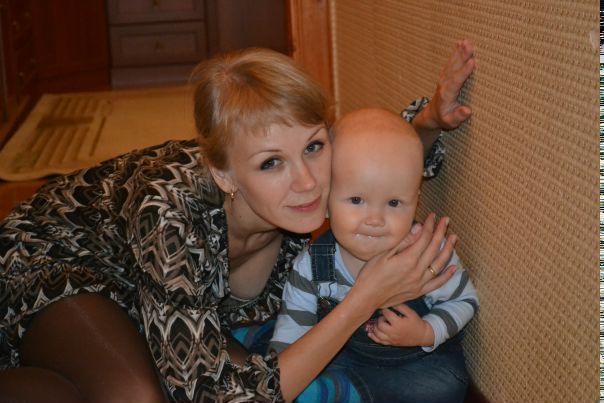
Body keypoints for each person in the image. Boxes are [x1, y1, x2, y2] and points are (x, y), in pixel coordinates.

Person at [0, 40, 475, 403]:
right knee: (136, 395)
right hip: (59, 262)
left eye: (313, 146)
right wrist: (363, 298)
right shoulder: (168, 212)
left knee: (258, 374)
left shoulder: (318, 180)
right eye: (271, 163)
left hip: (166, 300)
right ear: (224, 173)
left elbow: (371, 164)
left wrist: (429, 121)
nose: (308, 182)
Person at [269, 108, 479, 403]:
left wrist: (425, 331)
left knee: (442, 387)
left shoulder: (426, 253)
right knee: (293, 368)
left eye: (394, 203)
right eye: (357, 200)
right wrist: (276, 374)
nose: (375, 219)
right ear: (325, 201)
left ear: (415, 200)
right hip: (341, 358)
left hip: (415, 366)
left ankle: (343, 394)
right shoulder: (313, 264)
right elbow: (292, 330)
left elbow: (465, 300)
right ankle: (340, 391)